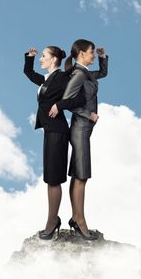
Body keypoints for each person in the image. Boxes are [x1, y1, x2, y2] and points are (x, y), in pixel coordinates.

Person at [23, 46, 85, 240]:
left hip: (58, 132)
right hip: (50, 131)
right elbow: (28, 73)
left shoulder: (62, 78)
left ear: (54, 60)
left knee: (53, 179)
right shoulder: (47, 79)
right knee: (51, 179)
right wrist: (30, 58)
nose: (41, 58)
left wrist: (60, 105)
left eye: (43, 56)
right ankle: (53, 220)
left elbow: (80, 97)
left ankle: (52, 222)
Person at [49, 39, 108, 240]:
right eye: (91, 52)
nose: (93, 55)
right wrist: (88, 114)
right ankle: (80, 222)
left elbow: (103, 74)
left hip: (84, 129)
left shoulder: (86, 72)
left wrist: (102, 57)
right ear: (81, 54)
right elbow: (67, 101)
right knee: (82, 176)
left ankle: (76, 218)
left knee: (79, 174)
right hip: (80, 128)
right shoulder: (77, 74)